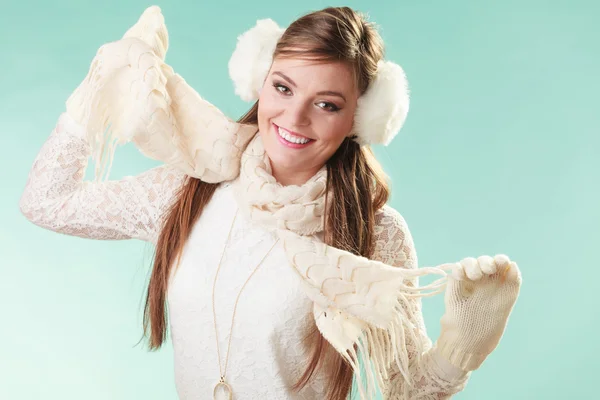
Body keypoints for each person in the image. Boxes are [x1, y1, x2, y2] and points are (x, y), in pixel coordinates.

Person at [19, 5, 522, 400]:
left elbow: (406, 391)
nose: (294, 117)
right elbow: (46, 200)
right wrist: (99, 84)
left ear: (360, 121)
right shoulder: (188, 189)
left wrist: (460, 350)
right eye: (283, 87)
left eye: (327, 104)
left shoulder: (375, 231)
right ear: (260, 82)